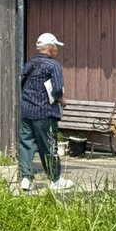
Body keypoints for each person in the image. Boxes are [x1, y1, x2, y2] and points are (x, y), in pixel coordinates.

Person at [18, 32, 74, 192]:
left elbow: (23, 84)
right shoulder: (53, 65)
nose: (56, 49)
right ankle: (55, 179)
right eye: (55, 46)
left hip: (27, 110)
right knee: (49, 145)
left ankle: (25, 178)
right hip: (45, 112)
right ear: (49, 48)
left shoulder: (29, 64)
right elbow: (57, 89)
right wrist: (62, 101)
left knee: (26, 144)